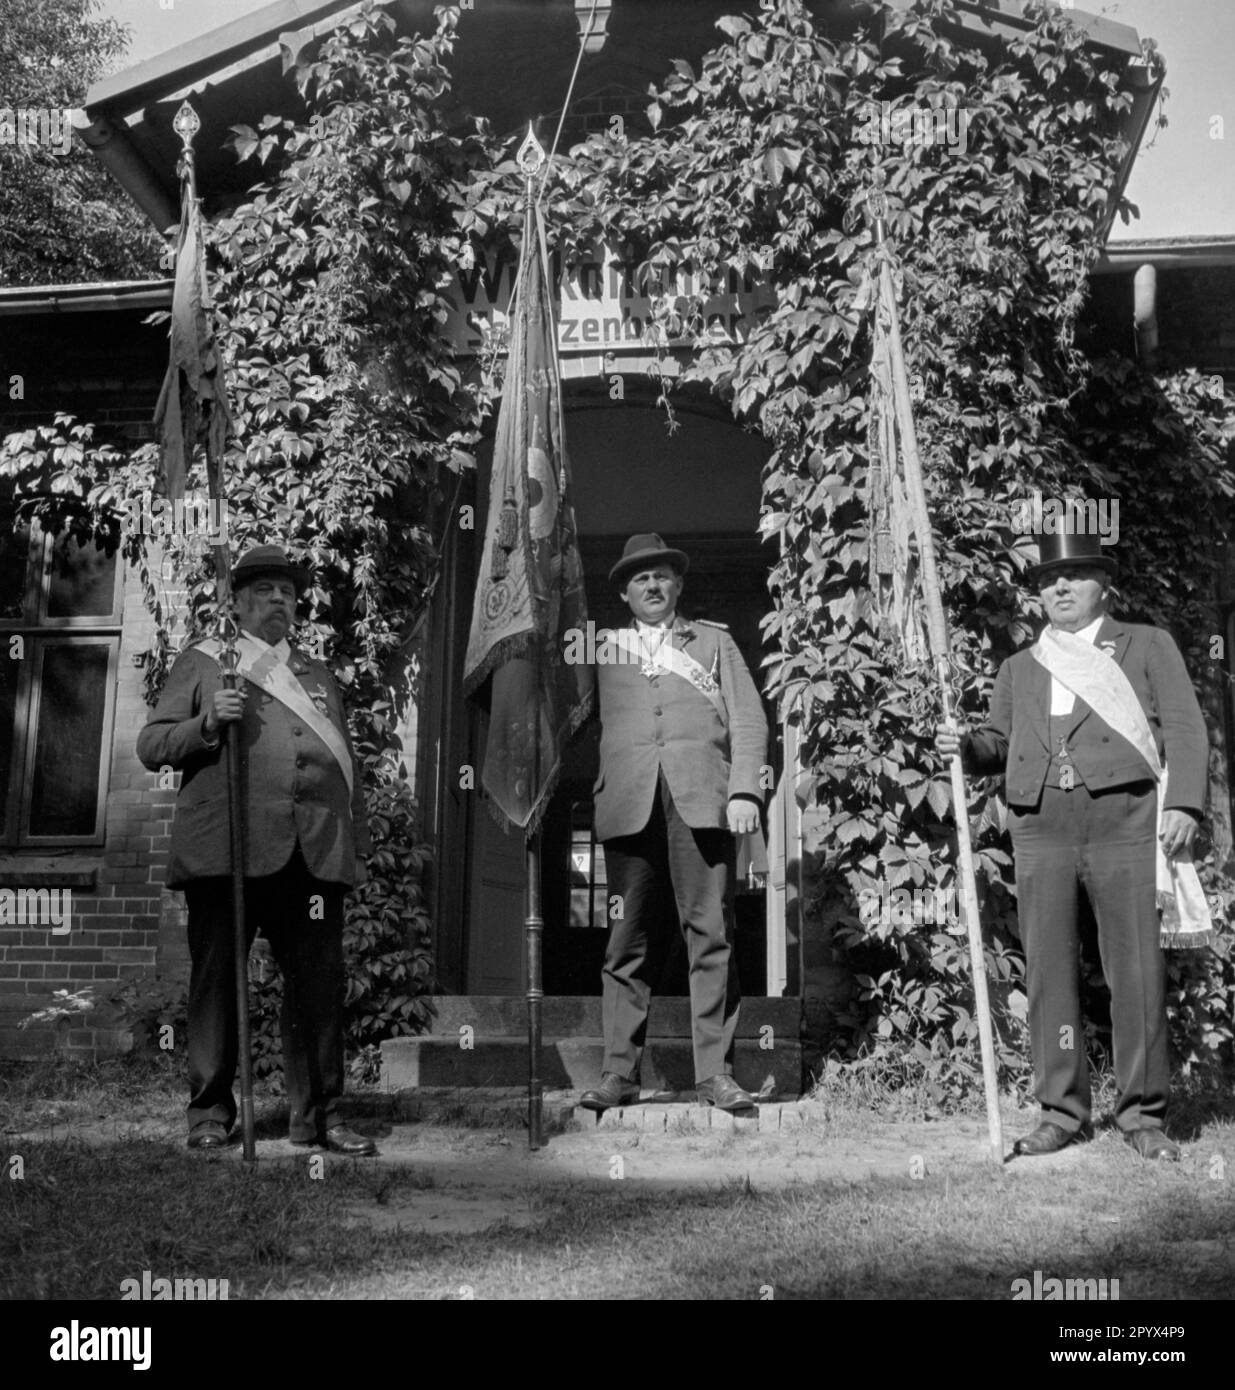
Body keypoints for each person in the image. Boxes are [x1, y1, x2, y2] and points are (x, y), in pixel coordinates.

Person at [935, 531, 1208, 1160]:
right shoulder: (1020, 667)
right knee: (1050, 971)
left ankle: (1141, 1116)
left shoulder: (1145, 645)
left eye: (1076, 575)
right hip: (1041, 826)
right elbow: (997, 745)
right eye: (1050, 579)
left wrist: (1186, 804)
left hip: (1125, 822)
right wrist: (966, 747)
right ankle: (1061, 1110)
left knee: (1135, 969)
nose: (1060, 587)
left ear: (1102, 585)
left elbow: (1187, 728)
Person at [137, 544, 376, 1155]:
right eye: (266, 590)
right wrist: (208, 722)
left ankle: (320, 1115)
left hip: (312, 852)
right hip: (228, 849)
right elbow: (153, 744)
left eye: (288, 593)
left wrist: (352, 845)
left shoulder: (319, 677)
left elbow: (342, 768)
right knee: (217, 980)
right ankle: (211, 1114)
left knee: (317, 984)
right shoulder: (204, 663)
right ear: (238, 602)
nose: (280, 600)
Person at [579, 534, 769, 1114]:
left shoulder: (713, 641)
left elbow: (749, 717)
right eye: (640, 579)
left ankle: (714, 1074)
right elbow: (565, 715)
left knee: (710, 937)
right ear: (624, 593)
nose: (653, 586)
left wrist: (743, 791)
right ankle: (619, 1074)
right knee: (626, 944)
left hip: (701, 803)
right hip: (629, 806)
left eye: (662, 576)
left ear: (678, 585)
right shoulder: (601, 649)